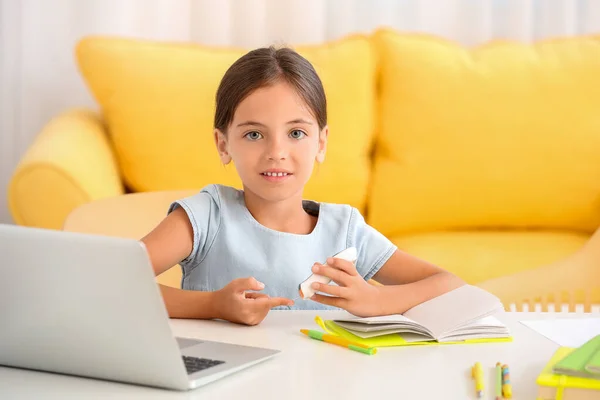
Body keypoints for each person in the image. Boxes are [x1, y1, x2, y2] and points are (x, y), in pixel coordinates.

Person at [141, 46, 464, 326]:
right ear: (223, 144)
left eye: (296, 133)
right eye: (254, 134)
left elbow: (451, 285)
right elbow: (109, 281)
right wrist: (212, 306)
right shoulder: (205, 217)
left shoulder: (345, 231)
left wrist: (377, 301)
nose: (276, 153)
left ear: (321, 142)